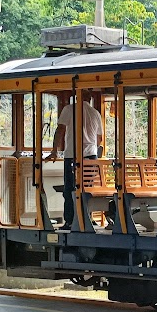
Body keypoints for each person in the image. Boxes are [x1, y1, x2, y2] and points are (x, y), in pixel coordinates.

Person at [45, 92, 104, 228]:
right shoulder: (95, 113)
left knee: (70, 189)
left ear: (77, 96)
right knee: (87, 188)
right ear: (90, 99)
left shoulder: (69, 109)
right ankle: (87, 218)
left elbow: (60, 129)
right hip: (91, 157)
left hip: (72, 155)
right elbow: (99, 138)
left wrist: (54, 151)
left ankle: (70, 221)